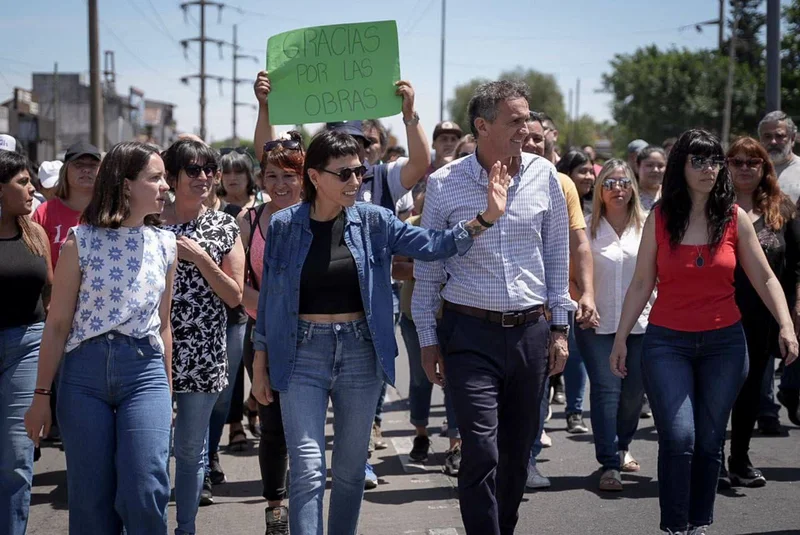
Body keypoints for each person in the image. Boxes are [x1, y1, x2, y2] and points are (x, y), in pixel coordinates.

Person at [251, 129, 510, 535]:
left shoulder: (375, 220)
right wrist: (261, 364)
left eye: (360, 172)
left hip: (360, 352)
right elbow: (270, 298)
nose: (355, 181)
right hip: (301, 353)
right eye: (344, 174)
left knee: (352, 469)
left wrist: (485, 219)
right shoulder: (284, 224)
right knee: (307, 465)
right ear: (315, 177)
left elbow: (434, 244)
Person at [609, 129, 799, 534]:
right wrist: (622, 338)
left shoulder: (734, 218)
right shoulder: (660, 218)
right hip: (666, 343)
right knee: (679, 438)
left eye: (714, 160)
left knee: (711, 443)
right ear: (681, 165)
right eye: (698, 160)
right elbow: (642, 283)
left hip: (725, 345)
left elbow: (765, 279)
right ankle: (675, 526)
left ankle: (698, 524)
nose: (708, 168)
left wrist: (786, 325)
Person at [413, 80, 573, 535]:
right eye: (516, 120)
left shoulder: (545, 176)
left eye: (528, 119)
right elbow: (429, 270)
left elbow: (556, 256)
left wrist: (559, 328)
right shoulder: (444, 184)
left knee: (517, 451)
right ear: (482, 126)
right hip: (469, 336)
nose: (528, 128)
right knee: (481, 449)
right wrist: (427, 340)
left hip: (530, 334)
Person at [24, 141, 176, 535]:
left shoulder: (166, 243)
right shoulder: (80, 241)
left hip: (145, 373)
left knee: (146, 489)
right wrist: (41, 397)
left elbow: (163, 324)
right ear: (126, 185)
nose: (166, 187)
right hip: (83, 377)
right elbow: (57, 324)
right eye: (156, 178)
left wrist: (168, 390)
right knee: (90, 502)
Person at [161, 139, 245, 534]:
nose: (205, 177)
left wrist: (201, 259)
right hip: (152, 350)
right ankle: (150, 522)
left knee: (190, 450)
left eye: (209, 170)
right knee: (153, 452)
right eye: (193, 170)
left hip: (204, 350)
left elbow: (235, 295)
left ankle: (186, 527)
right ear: (172, 175)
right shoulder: (148, 220)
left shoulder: (224, 224)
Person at [522, 111, 598, 489]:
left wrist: (585, 292)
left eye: (539, 138)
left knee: (537, 387)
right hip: (496, 307)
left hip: (547, 308)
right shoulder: (488, 176)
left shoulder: (561, 182)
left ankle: (529, 459)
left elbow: (578, 241)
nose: (533, 144)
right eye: (526, 136)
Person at [238, 131, 305, 535]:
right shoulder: (248, 221)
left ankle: (306, 501)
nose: (280, 184)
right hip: (261, 337)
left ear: (305, 177)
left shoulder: (322, 213)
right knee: (274, 424)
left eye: (289, 175)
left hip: (315, 336)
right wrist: (277, 309)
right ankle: (275, 507)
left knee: (307, 425)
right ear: (261, 180)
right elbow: (236, 284)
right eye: (272, 175)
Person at [724, 137, 800, 487]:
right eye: (736, 161)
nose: (743, 168)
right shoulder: (713, 206)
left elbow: (796, 264)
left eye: (751, 162)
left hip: (763, 317)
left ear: (764, 168)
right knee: (716, 389)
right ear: (726, 165)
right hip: (717, 313)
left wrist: (794, 310)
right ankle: (709, 459)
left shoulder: (782, 209)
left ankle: (739, 457)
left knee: (752, 387)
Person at [574, 159, 650, 491]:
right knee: (607, 391)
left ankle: (622, 445)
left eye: (623, 183)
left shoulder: (648, 227)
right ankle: (609, 462)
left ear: (633, 187)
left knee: (634, 394)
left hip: (642, 324)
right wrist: (581, 300)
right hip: (598, 325)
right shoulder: (586, 229)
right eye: (609, 183)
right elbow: (569, 277)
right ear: (599, 189)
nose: (617, 189)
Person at [392, 181, 462, 476]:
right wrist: (434, 269)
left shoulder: (461, 228)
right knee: (421, 379)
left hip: (455, 316)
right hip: (414, 316)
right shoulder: (410, 226)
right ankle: (420, 434)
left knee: (454, 380)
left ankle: (455, 445)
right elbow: (397, 268)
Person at [0, 150, 51, 535]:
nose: (31, 188)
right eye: (22, 182)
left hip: (27, 345)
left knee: (18, 456)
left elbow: (50, 293)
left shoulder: (34, 232)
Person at [32, 142, 101, 270]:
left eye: (92, 165)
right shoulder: (44, 212)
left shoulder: (111, 211)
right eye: (78, 165)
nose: (86, 170)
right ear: (65, 170)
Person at [758, 111, 800, 203]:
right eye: (767, 136)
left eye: (779, 136)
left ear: (792, 138)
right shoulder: (750, 170)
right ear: (760, 139)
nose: (773, 142)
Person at [557, 150, 595, 216]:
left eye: (591, 172)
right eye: (583, 171)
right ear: (567, 173)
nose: (589, 177)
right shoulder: (555, 205)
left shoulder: (593, 208)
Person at [636, 146, 667, 211]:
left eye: (660, 166)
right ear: (638, 167)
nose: (655, 170)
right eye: (649, 165)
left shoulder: (671, 194)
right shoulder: (630, 196)